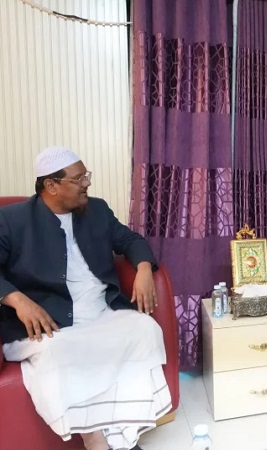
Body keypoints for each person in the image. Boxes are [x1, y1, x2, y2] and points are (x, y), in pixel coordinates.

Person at [0, 147, 171, 450]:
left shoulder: (97, 209)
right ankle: (97, 442)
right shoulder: (11, 220)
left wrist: (144, 268)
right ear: (51, 185)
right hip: (50, 322)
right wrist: (17, 299)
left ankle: (124, 436)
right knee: (60, 351)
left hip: (99, 311)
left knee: (145, 330)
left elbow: (130, 240)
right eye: (78, 179)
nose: (87, 183)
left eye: (86, 176)